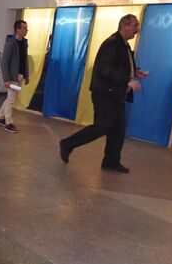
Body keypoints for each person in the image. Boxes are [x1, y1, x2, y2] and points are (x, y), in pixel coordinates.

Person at [59, 14, 148, 173]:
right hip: (106, 94)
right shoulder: (112, 44)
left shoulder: (123, 44)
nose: (137, 30)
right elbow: (105, 69)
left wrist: (136, 72)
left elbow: (121, 65)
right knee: (101, 127)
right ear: (124, 25)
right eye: (135, 26)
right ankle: (67, 144)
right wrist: (128, 79)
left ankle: (111, 162)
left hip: (116, 94)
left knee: (118, 130)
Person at [0, 20, 30, 134]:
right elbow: (4, 62)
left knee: (11, 97)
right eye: (24, 28)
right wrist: (6, 79)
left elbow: (25, 60)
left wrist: (26, 75)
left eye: (26, 28)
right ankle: (8, 123)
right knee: (11, 98)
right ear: (18, 29)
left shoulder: (24, 43)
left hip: (20, 77)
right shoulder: (10, 43)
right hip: (12, 78)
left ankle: (1, 117)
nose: (26, 30)